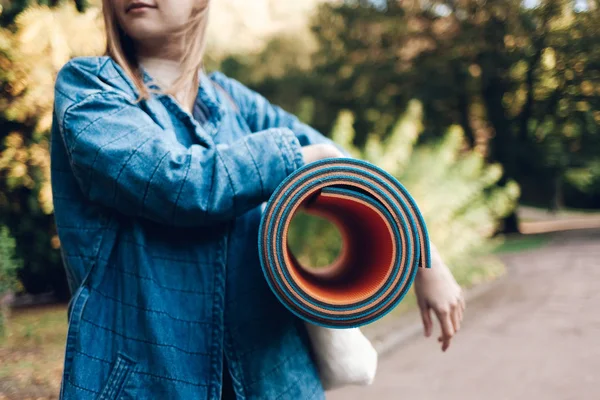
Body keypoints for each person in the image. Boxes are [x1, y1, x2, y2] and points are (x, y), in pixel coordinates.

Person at [50, 0, 465, 398]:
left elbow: (350, 172)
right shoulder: (89, 88)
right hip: (147, 382)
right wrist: (294, 156)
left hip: (275, 378)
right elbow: (178, 184)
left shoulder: (231, 100)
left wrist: (426, 260)